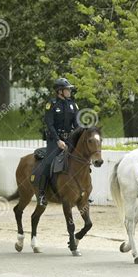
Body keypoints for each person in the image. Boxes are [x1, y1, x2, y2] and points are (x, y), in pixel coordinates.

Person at [37, 78, 79, 206]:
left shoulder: (72, 104)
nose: (69, 91)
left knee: (79, 160)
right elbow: (49, 125)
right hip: (54, 140)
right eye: (67, 89)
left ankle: (81, 192)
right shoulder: (52, 104)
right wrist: (58, 141)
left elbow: (76, 124)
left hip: (68, 139)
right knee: (48, 162)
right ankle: (42, 194)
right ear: (60, 91)